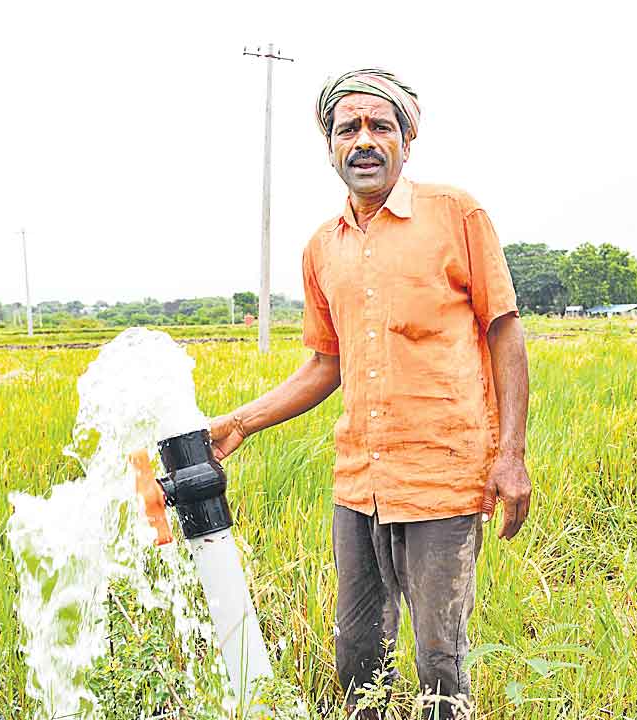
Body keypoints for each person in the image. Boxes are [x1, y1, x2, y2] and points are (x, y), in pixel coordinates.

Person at [209, 68, 530, 718]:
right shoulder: (322, 248)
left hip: (442, 479)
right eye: (347, 127)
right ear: (329, 145)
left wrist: (511, 455)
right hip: (359, 485)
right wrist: (241, 422)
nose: (363, 140)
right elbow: (325, 363)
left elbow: (504, 333)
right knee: (357, 652)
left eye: (380, 126)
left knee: (441, 657)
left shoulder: (455, 214)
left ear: (407, 141)